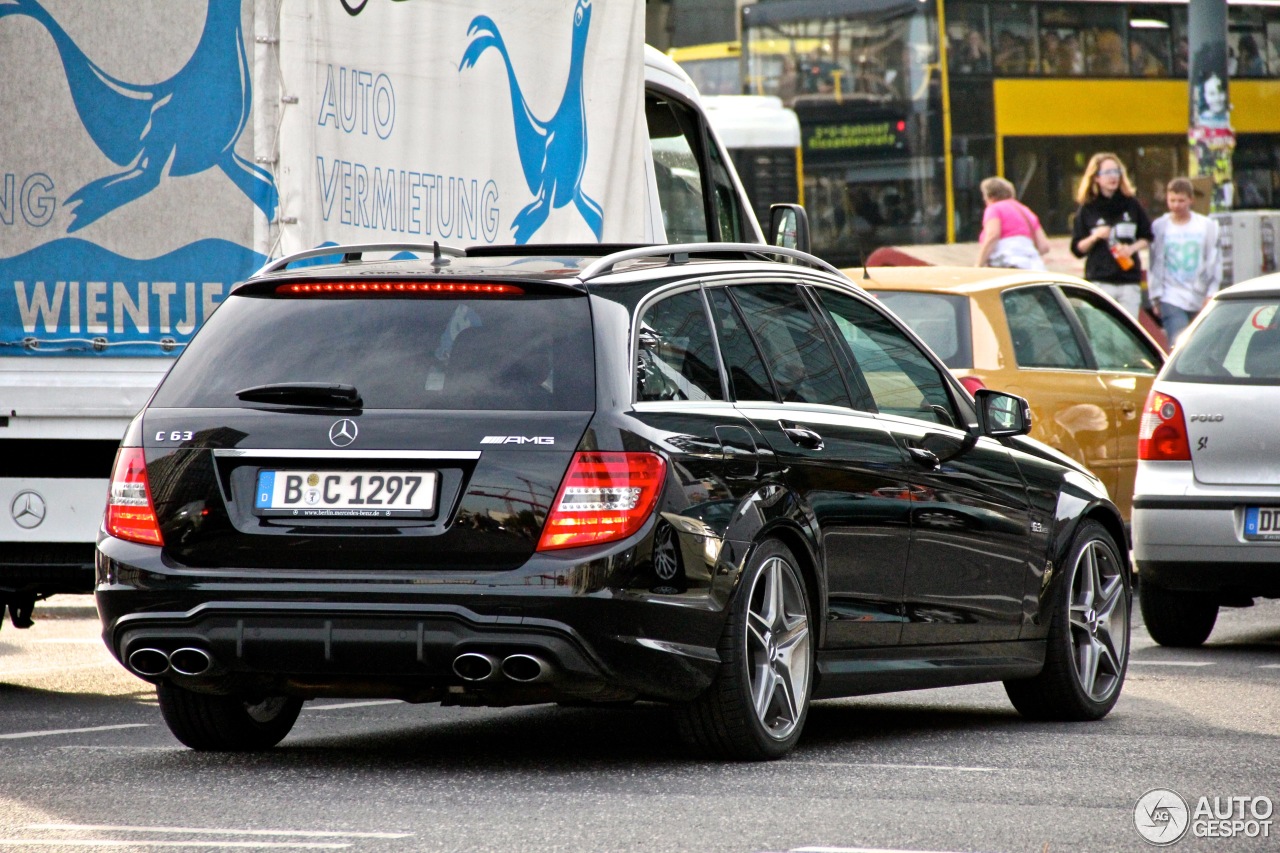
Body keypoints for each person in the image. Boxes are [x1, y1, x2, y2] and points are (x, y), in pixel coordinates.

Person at [1070, 153, 1154, 317]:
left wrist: (1131, 249)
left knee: (1127, 332)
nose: (1113, 177)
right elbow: (1077, 248)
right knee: (1101, 333)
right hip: (1100, 279)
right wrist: (1095, 237)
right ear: (1096, 178)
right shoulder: (1088, 208)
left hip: (1128, 279)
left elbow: (1147, 235)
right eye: (1107, 173)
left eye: (1116, 172)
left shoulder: (1131, 204)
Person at [1149, 177, 1222, 345]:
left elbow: (1214, 260)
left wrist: (1211, 292)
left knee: (1201, 343)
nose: (1176, 205)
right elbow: (1155, 263)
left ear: (1191, 200)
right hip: (1171, 296)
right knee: (1179, 344)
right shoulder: (1160, 226)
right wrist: (1156, 297)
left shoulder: (1206, 225)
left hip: (1199, 293)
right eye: (1172, 200)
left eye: (1181, 200)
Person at [975, 176, 1051, 270]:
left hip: (1008, 264)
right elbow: (1044, 246)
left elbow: (993, 235)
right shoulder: (1026, 211)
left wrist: (979, 264)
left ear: (990, 196)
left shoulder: (994, 208)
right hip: (1033, 266)